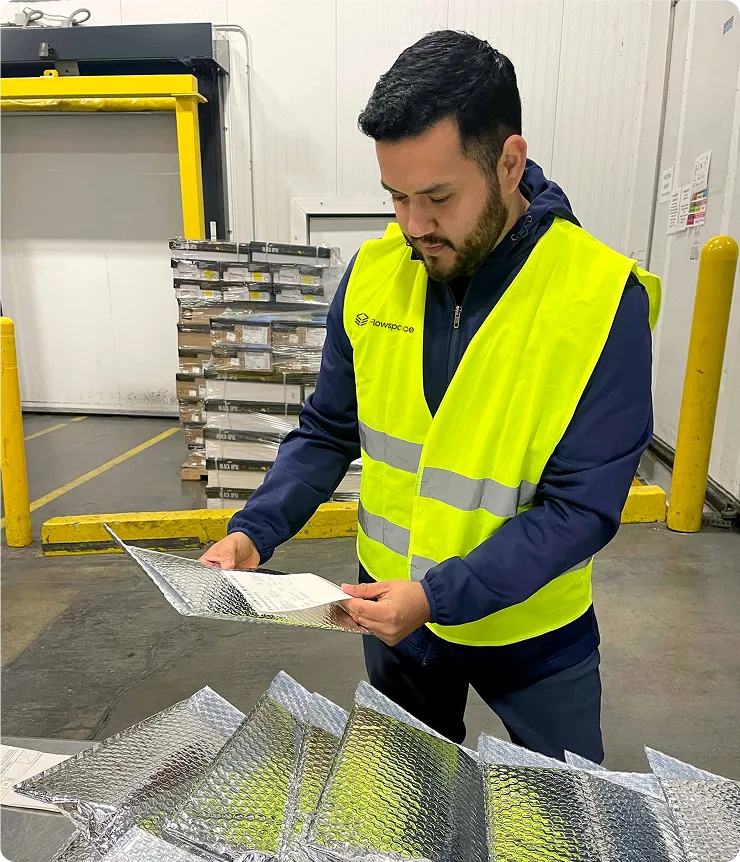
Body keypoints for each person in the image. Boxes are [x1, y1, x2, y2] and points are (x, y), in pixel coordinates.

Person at [201, 30, 659, 761]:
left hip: (531, 632)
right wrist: (256, 529)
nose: (414, 226)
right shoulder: (374, 275)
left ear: (509, 162)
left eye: (438, 197)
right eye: (396, 197)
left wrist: (438, 598)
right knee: (404, 807)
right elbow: (326, 431)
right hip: (391, 616)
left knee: (563, 823)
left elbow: (582, 509)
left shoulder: (600, 298)